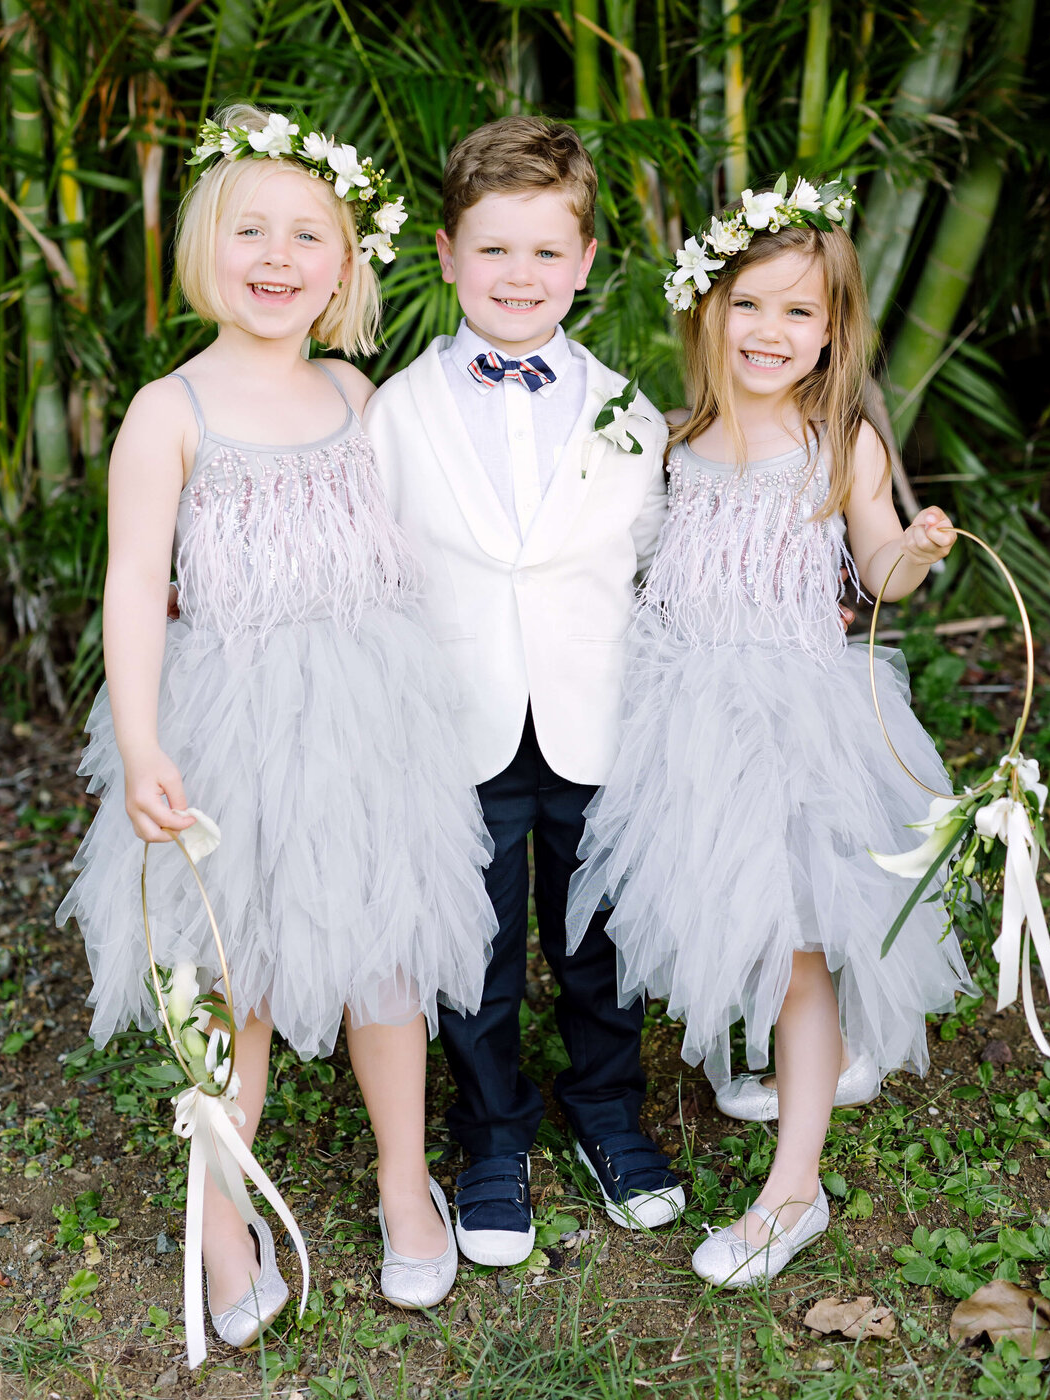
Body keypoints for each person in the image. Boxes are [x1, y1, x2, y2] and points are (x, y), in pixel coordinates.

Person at [58, 104, 495, 1341]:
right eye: (251, 228)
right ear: (208, 244)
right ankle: (220, 1209)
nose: (276, 254)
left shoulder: (357, 394)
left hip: (365, 716)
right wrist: (145, 744)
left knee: (386, 961)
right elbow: (137, 586)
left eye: (308, 234)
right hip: (232, 726)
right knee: (239, 974)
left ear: (346, 261)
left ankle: (404, 1182)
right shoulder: (170, 411)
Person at [567, 180, 970, 1289]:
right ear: (708, 308)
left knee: (797, 936)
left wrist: (920, 548)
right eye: (752, 305)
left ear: (832, 332)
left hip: (797, 716)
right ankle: (796, 1059)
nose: (772, 333)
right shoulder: (669, 442)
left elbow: (878, 570)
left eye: (801, 314)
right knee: (729, 912)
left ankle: (796, 1186)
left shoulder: (839, 446)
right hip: (682, 720)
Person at [366, 115, 687, 1267]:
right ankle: (491, 1133)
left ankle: (609, 1112)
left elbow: (656, 564)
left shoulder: (630, 412)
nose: (520, 275)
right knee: (479, 945)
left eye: (546, 252)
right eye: (494, 250)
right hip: (457, 729)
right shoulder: (391, 414)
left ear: (586, 263)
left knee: (600, 939)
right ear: (447, 256)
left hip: (598, 721)